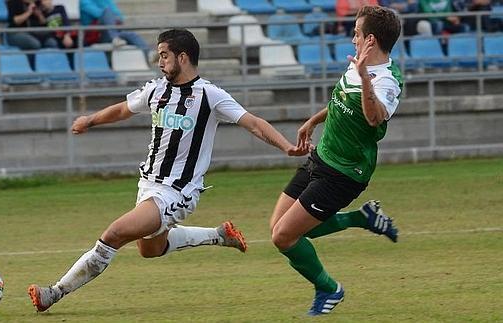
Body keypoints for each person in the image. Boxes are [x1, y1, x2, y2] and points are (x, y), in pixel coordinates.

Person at [27, 28, 307, 312]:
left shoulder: (210, 95)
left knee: (114, 234)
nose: (159, 61)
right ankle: (219, 234)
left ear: (182, 57)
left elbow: (254, 123)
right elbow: (124, 109)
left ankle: (54, 292)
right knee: (150, 250)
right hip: (148, 185)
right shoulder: (156, 89)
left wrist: (286, 147)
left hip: (177, 191)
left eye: (164, 55)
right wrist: (90, 120)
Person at [269, 6, 401, 317]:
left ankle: (329, 288)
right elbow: (341, 100)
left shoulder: (387, 81)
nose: (352, 38)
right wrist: (313, 121)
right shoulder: (358, 66)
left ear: (370, 39)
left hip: (345, 173)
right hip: (321, 158)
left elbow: (373, 117)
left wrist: (365, 75)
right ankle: (362, 218)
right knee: (281, 227)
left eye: (356, 34)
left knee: (284, 236)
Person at [79, 0, 151, 55]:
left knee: (132, 35)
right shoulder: (83, 1)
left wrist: (112, 17)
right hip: (96, 36)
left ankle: (149, 54)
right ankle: (114, 38)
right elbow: (99, 14)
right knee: (107, 12)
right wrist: (111, 16)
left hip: (111, 32)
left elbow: (119, 17)